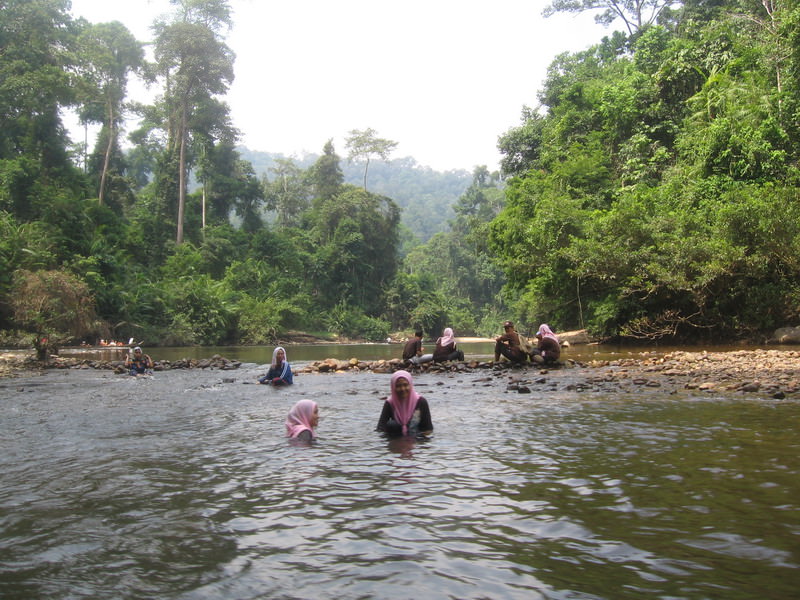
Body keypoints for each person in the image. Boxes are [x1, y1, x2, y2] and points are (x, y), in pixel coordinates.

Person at [376, 370, 433, 437]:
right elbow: (380, 428)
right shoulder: (390, 403)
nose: (402, 389)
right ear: (393, 387)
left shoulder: (421, 402)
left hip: (417, 438)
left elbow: (428, 429)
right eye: (398, 386)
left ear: (410, 385)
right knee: (392, 424)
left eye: (405, 385)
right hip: (396, 438)